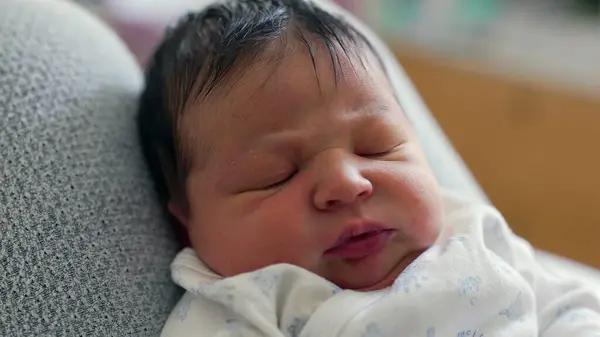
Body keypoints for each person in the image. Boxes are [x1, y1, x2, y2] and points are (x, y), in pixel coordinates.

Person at [137, 0, 600, 335]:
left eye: (376, 147)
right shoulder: (241, 308)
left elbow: (569, 303)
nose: (347, 181)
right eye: (275, 175)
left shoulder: (470, 232)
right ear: (187, 226)